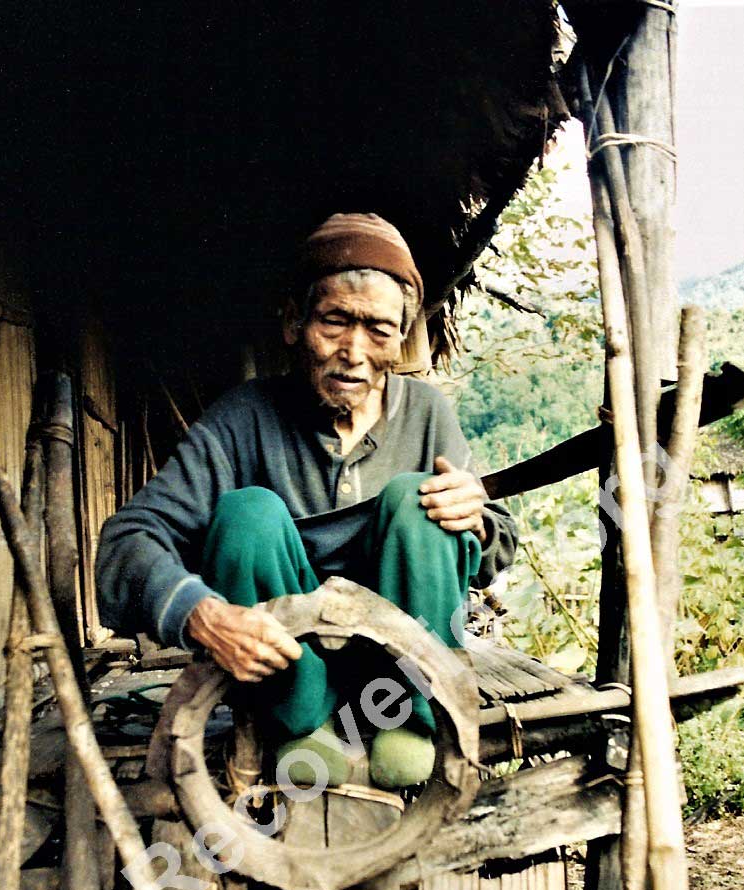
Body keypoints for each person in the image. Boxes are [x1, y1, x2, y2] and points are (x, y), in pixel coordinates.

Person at [96, 213, 517, 789]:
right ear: (294, 322)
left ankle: (407, 716)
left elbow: (498, 547)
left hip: (401, 680)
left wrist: (476, 520)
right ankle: (303, 718)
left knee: (419, 502)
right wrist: (202, 613)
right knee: (248, 514)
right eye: (336, 321)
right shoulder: (244, 417)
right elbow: (128, 541)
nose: (354, 350)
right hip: (289, 680)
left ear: (400, 338)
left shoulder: (426, 414)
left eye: (378, 329)